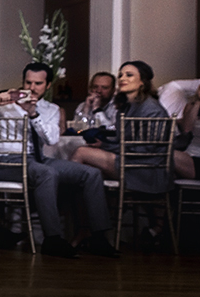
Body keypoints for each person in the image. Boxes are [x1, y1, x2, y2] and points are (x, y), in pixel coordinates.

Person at [0, 63, 119, 258]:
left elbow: (52, 139)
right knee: (47, 173)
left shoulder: (51, 109)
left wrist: (33, 114)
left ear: (47, 85)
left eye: (38, 83)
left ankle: (98, 237)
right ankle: (52, 239)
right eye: (28, 82)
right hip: (6, 162)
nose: (31, 87)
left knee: (91, 173)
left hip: (37, 159)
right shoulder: (4, 103)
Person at [71, 61, 174, 247]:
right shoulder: (127, 107)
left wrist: (108, 148)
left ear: (142, 82)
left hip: (147, 169)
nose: (122, 79)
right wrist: (105, 145)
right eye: (121, 75)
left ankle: (85, 227)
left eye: (129, 75)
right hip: (132, 161)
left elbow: (145, 149)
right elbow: (122, 141)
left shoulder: (151, 109)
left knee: (80, 154)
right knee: (89, 171)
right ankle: (96, 231)